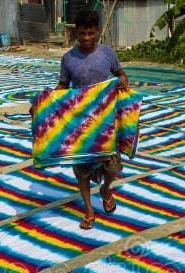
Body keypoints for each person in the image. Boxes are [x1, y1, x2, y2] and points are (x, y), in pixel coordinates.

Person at [56, 9, 129, 230]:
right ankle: (89, 210)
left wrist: (123, 80)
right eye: (82, 34)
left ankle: (106, 189)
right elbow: (62, 87)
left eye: (90, 33)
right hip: (80, 124)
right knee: (82, 169)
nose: (86, 38)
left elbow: (120, 73)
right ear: (75, 33)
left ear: (97, 30)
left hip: (106, 121)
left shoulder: (107, 54)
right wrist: (44, 104)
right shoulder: (68, 59)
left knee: (112, 166)